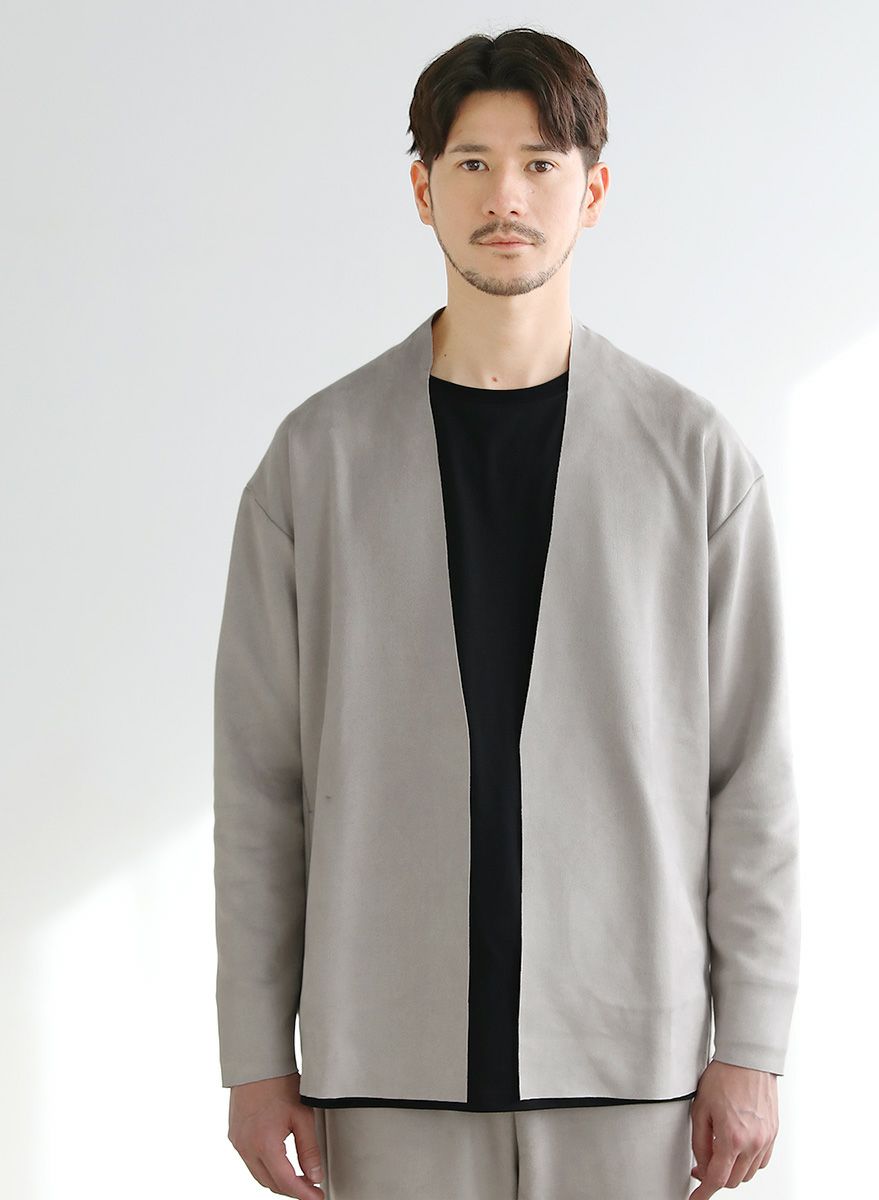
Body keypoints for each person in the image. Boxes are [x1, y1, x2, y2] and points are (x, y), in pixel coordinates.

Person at [213, 27, 801, 1200]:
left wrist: (753, 1041)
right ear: (421, 188)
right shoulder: (316, 461)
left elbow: (751, 776)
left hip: (627, 1060)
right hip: (383, 1056)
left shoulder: (692, 459)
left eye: (539, 164)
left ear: (593, 190)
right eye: (472, 164)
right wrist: (253, 1055)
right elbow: (259, 784)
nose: (506, 198)